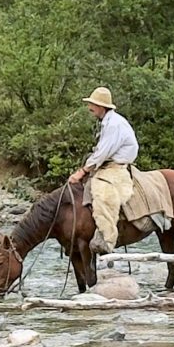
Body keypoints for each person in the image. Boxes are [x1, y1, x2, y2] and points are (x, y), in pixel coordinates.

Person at [65, 86, 137, 254]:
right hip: (108, 163)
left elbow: (102, 152)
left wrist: (82, 171)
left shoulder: (113, 125)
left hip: (115, 166)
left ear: (102, 107)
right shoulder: (107, 122)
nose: (90, 108)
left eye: (93, 105)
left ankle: (107, 239)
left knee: (103, 193)